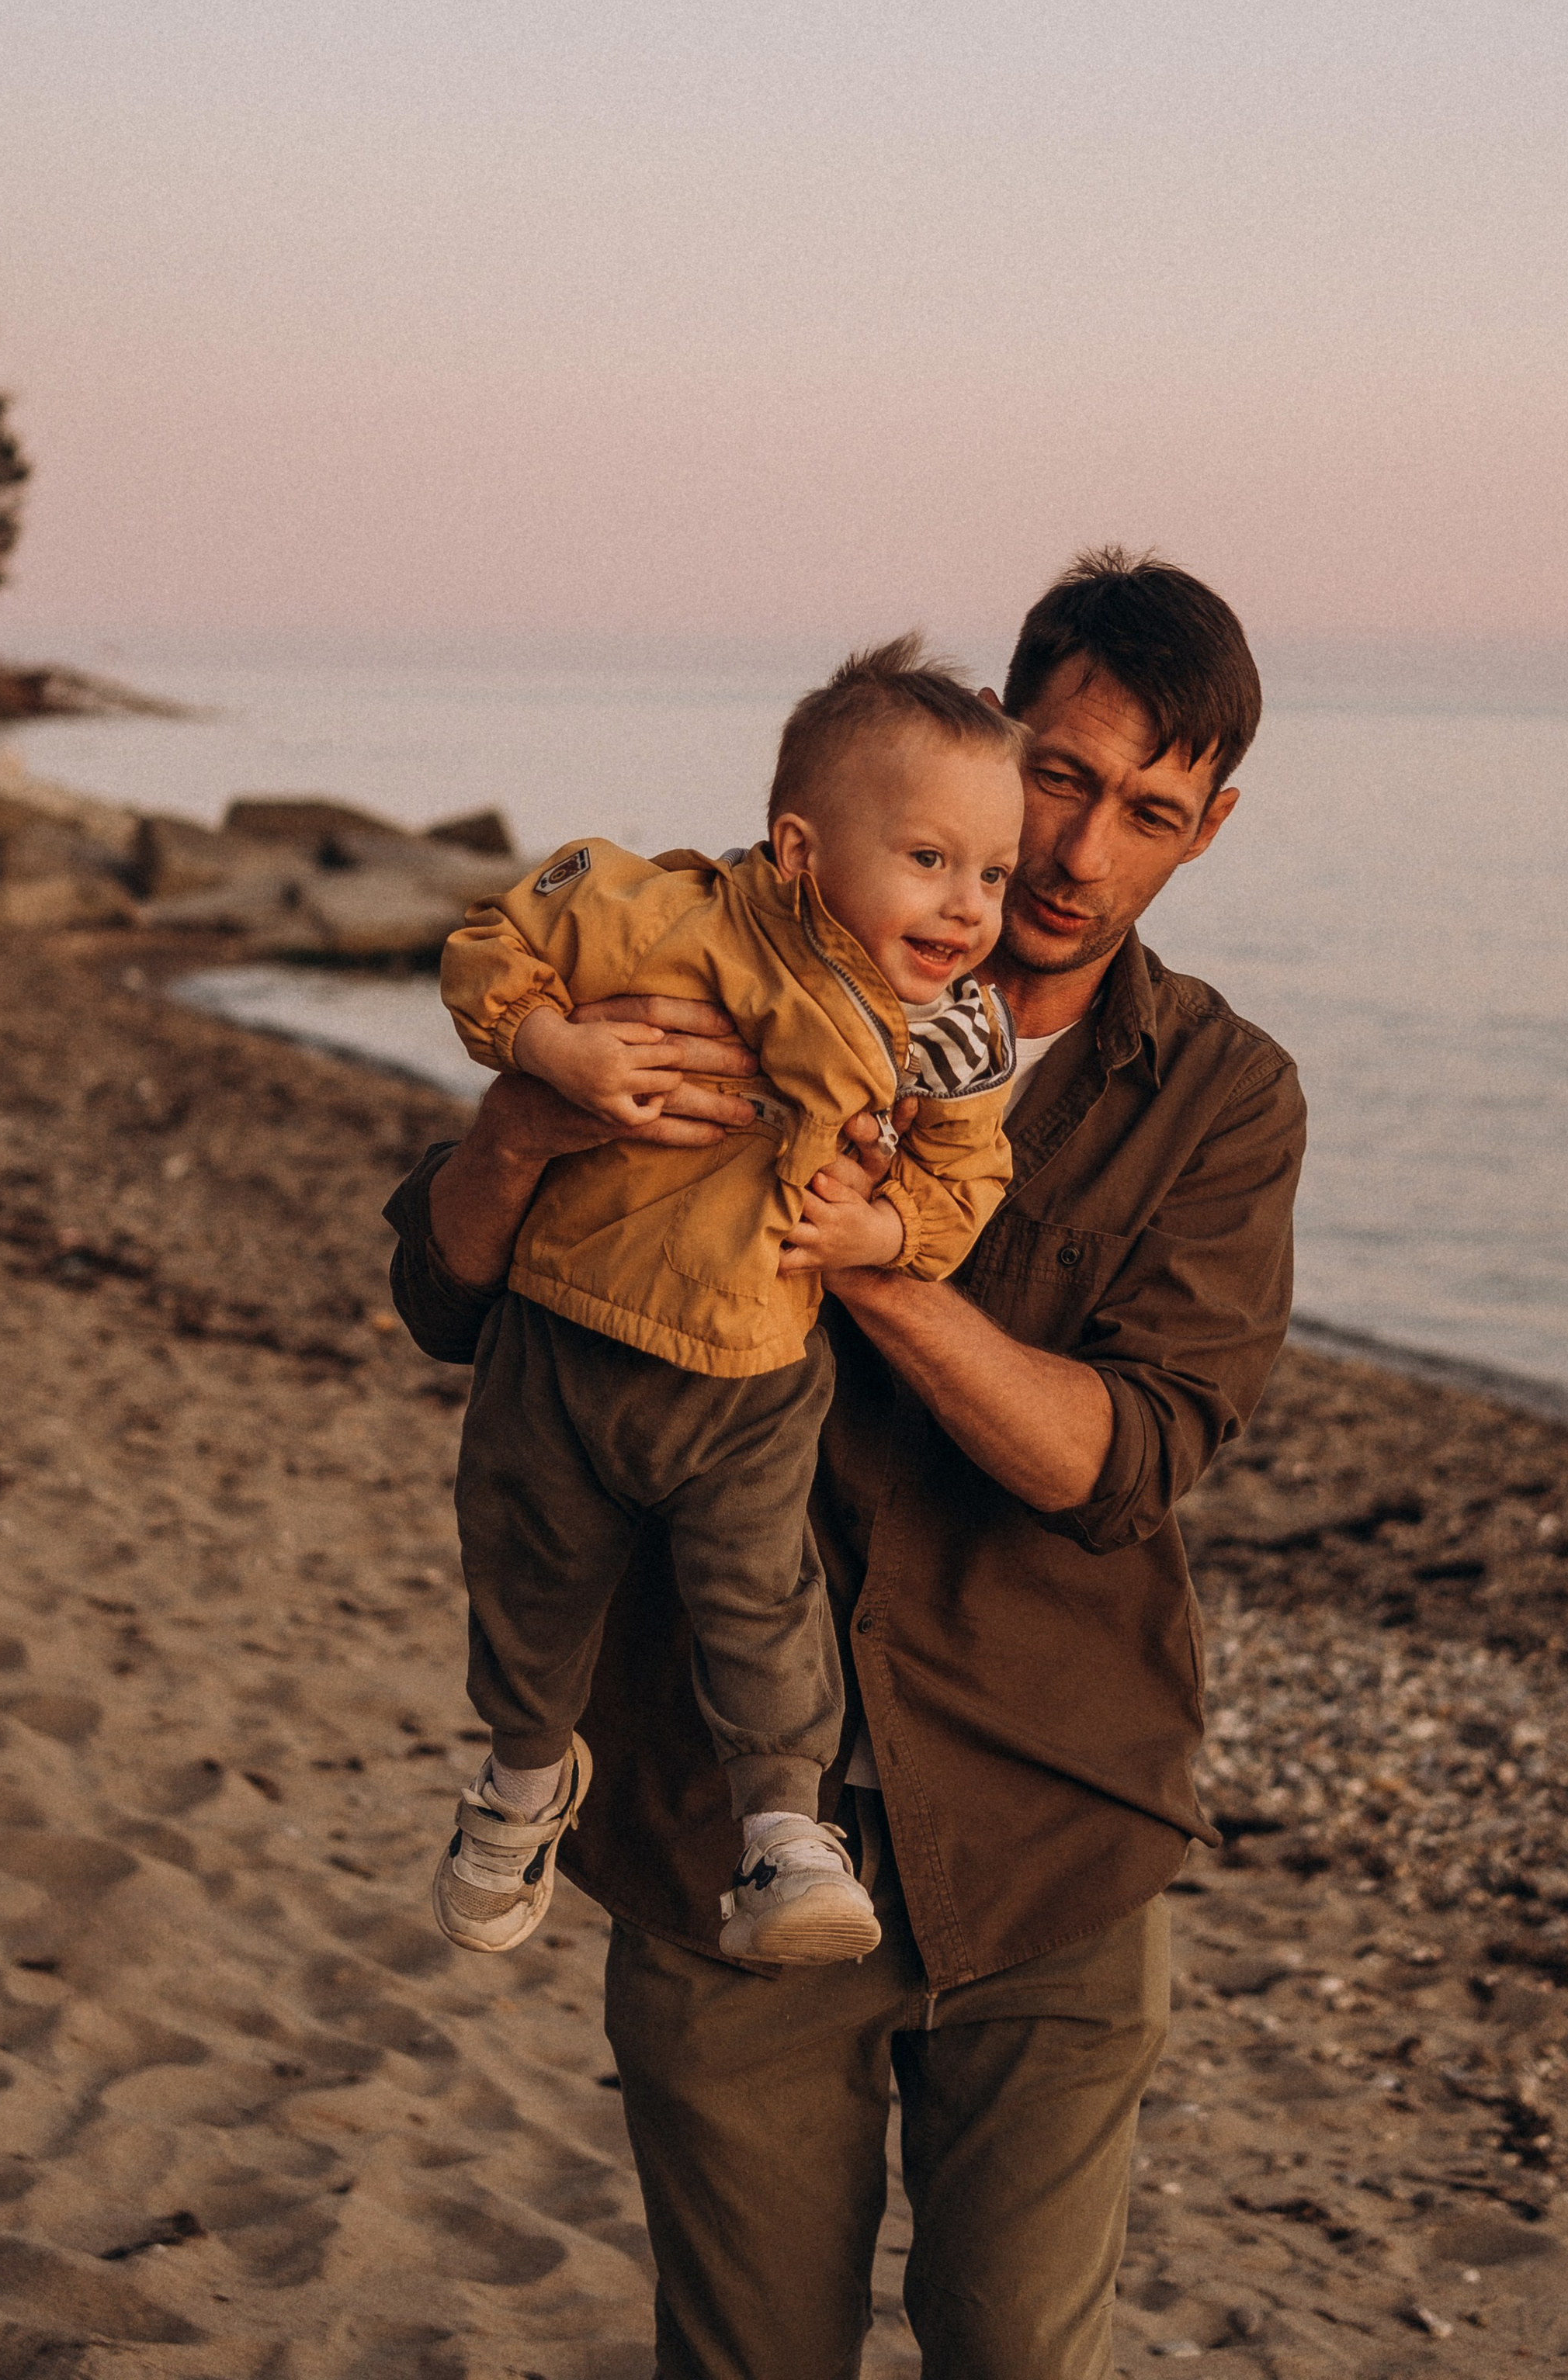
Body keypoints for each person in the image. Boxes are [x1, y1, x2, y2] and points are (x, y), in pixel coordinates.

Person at [385, 549, 1305, 2380]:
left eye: (1146, 812)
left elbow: (1121, 1464)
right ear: (987, 738)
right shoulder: (725, 956)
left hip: (1047, 1837)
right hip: (719, 1830)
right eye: (1055, 775)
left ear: (1201, 833)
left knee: (1015, 2359)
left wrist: (873, 1265)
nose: (1069, 856)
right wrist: (533, 1113)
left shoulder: (1220, 1096)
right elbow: (442, 1292)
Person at [429, 641, 1025, 1967]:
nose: (970, 905)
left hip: (753, 1371)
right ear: (802, 849)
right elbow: (489, 941)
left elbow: (968, 1169)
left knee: (762, 1598)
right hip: (564, 1329)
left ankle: (784, 1837)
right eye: (929, 859)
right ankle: (523, 1777)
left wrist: (890, 1227)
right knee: (526, 1567)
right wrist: (552, 1046)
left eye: (994, 871)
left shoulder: (951, 1027)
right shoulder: (660, 912)